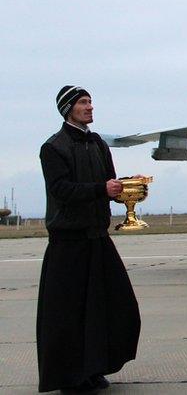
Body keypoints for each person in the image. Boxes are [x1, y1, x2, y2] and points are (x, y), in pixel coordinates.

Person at [37, 86, 141, 393]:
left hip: (97, 238)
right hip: (68, 243)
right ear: (68, 108)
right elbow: (61, 190)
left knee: (112, 308)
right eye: (83, 102)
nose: (90, 107)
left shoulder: (97, 143)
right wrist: (101, 189)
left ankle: (95, 367)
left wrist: (126, 187)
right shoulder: (53, 147)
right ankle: (71, 377)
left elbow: (107, 182)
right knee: (69, 316)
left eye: (90, 101)